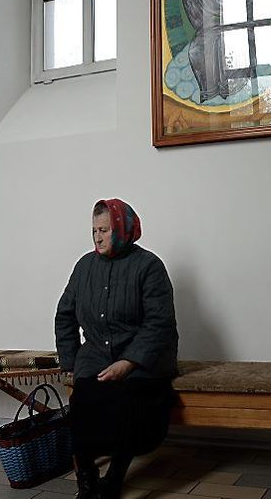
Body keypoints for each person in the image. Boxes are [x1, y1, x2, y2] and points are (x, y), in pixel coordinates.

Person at [55, 199, 179, 499]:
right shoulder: (84, 266)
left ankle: (114, 479)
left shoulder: (149, 266)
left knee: (128, 401)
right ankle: (86, 482)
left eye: (105, 230)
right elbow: (65, 315)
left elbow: (158, 323)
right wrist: (70, 360)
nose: (98, 237)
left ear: (122, 229)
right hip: (96, 355)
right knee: (82, 402)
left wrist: (128, 363)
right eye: (94, 230)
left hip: (141, 361)